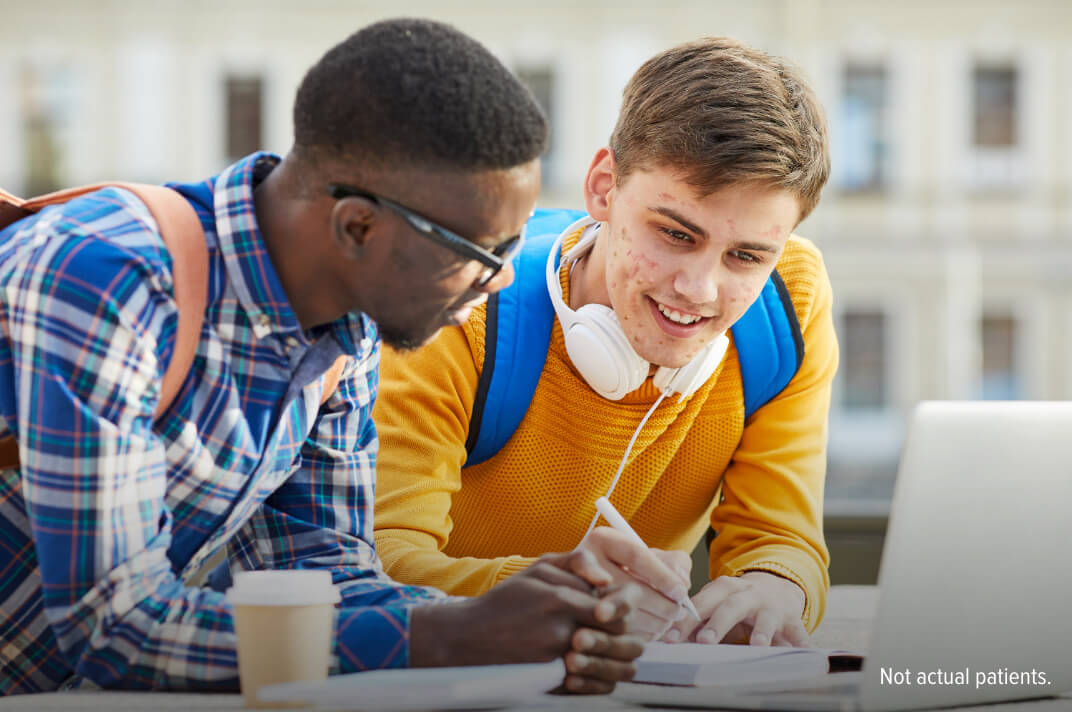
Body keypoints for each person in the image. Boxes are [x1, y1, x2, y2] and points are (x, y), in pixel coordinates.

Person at [0, 19, 645, 696]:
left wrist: (516, 630)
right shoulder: (106, 278)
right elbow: (115, 629)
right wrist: (455, 636)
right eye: (486, 254)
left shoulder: (350, 332)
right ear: (358, 226)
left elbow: (322, 579)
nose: (502, 281)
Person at [371, 36, 837, 648]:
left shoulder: (788, 302)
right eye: (674, 233)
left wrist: (778, 586)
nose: (699, 289)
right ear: (603, 187)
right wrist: (565, 596)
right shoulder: (463, 305)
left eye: (746, 256)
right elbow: (376, 564)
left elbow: (782, 538)